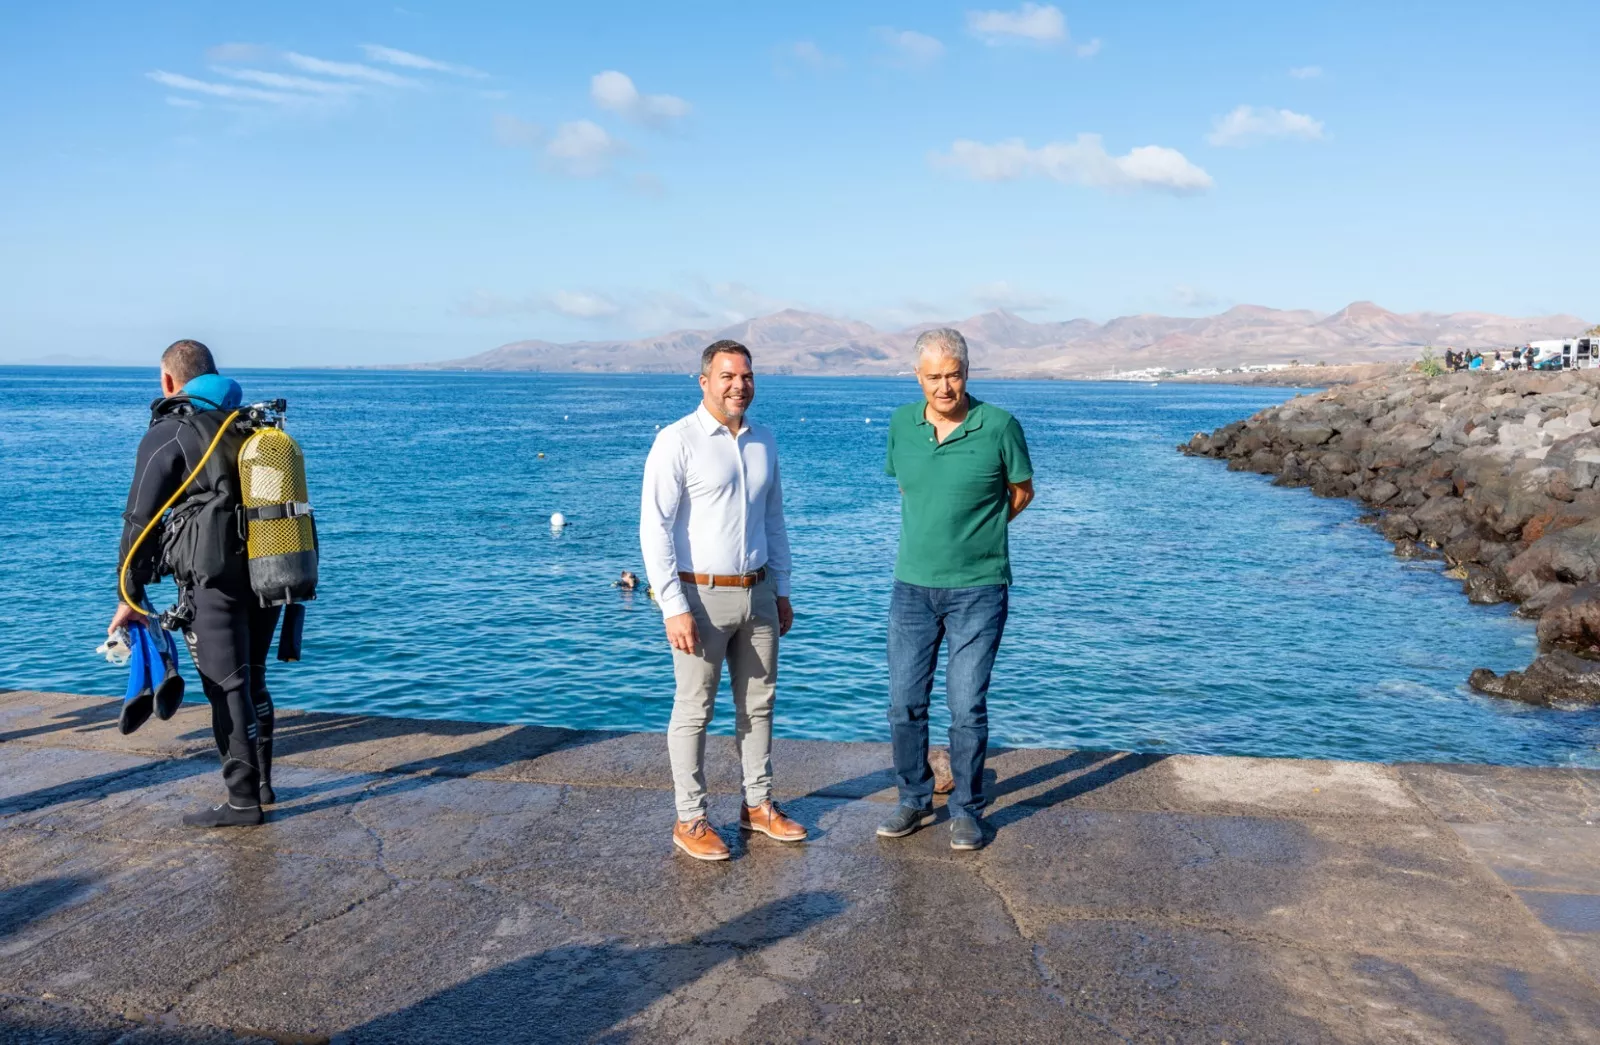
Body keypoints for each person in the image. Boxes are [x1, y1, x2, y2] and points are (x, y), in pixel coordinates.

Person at [640, 339, 804, 861]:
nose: (739, 385)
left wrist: (782, 590)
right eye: (728, 376)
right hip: (699, 597)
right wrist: (672, 605)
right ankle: (689, 818)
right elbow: (655, 527)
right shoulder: (677, 440)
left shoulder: (765, 441)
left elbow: (773, 521)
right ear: (704, 381)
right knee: (694, 710)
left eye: (747, 376)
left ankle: (757, 807)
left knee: (759, 705)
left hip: (757, 594)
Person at [108, 340, 282, 828]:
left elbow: (138, 519)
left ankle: (243, 803)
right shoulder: (248, 425)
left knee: (227, 685)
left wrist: (129, 594)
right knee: (252, 677)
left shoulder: (170, 431)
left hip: (214, 579)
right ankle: (263, 783)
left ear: (168, 380)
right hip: (270, 568)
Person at [877, 328, 1034, 851]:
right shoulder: (902, 424)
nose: (945, 387)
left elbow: (1021, 491)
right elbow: (907, 484)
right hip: (912, 588)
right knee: (904, 702)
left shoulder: (1000, 426)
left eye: (954, 375)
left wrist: (981, 532)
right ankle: (913, 800)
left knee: (966, 705)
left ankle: (966, 809)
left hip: (979, 589)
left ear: (967, 373)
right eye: (933, 376)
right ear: (918, 377)